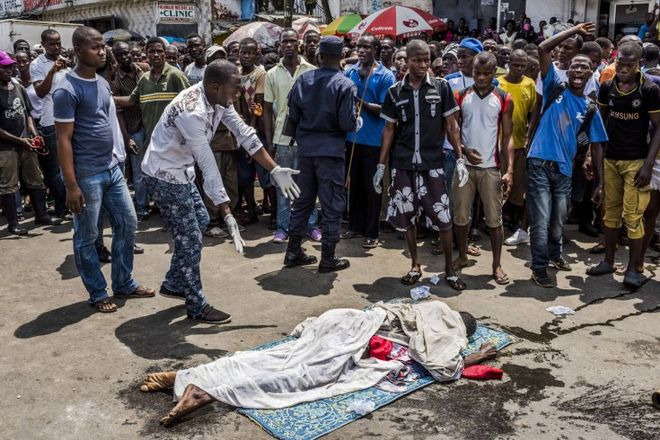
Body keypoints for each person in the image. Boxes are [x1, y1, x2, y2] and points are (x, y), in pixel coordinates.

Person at [138, 302, 494, 427]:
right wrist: (469, 357)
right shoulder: (452, 330)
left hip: (344, 319)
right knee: (301, 375)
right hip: (354, 337)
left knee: (277, 356)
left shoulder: (425, 306)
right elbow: (441, 366)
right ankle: (204, 392)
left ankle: (189, 377)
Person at [142, 59, 300, 323]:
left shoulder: (219, 100)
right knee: (190, 237)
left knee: (201, 221)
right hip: (164, 175)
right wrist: (227, 212)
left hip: (182, 171)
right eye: (234, 89)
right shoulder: (191, 111)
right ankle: (196, 304)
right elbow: (207, 163)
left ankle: (173, 282)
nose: (238, 94)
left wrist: (274, 169)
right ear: (215, 86)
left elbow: (245, 133)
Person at [53, 27, 154, 313]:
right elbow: (63, 140)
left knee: (128, 223)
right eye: (95, 47)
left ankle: (123, 282)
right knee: (87, 236)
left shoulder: (100, 82)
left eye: (102, 47)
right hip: (85, 176)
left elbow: (107, 120)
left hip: (111, 169)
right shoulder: (66, 89)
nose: (102, 51)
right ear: (78, 51)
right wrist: (71, 186)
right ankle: (98, 292)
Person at [374, 39, 469, 289]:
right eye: (417, 60)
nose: (423, 64)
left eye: (426, 59)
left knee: (443, 218)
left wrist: (459, 158)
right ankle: (415, 265)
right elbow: (389, 130)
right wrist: (381, 166)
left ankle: (449, 269)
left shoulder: (442, 87)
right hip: (403, 164)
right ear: (406, 60)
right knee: (407, 219)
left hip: (433, 164)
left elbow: (452, 125)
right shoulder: (395, 92)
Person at [526, 23, 608, 288]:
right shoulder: (554, 86)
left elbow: (596, 145)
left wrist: (601, 183)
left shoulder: (591, 107)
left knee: (559, 218)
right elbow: (542, 48)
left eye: (585, 66)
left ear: (592, 72)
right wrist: (574, 30)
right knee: (540, 220)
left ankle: (555, 255)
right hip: (539, 161)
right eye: (575, 65)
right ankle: (539, 268)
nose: (579, 70)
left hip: (563, 170)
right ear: (568, 70)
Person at [587, 42, 660, 289]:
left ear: (639, 63)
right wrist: (592, 156)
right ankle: (608, 261)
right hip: (611, 159)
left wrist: (648, 164)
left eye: (630, 65)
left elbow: (659, 127)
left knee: (633, 216)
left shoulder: (649, 89)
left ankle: (633, 269)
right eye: (621, 64)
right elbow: (600, 124)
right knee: (610, 212)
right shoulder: (608, 87)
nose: (624, 69)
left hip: (636, 161)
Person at [282, 36, 358, 272]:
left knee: (302, 203)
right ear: (341, 58)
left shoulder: (304, 79)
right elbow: (347, 124)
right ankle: (328, 259)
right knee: (332, 205)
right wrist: (356, 121)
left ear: (320, 56)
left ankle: (293, 251)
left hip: (305, 151)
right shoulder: (345, 85)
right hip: (331, 153)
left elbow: (291, 116)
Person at [452, 51, 514, 285]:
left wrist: (509, 171)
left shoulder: (504, 98)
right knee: (460, 216)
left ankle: (496, 264)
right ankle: (462, 256)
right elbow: (453, 130)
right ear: (472, 70)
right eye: (477, 73)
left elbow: (508, 137)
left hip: (491, 168)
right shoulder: (461, 96)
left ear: (494, 72)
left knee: (494, 220)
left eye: (487, 74)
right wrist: (464, 149)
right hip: (464, 167)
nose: (481, 78)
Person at [263, 29, 317, 244]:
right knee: (283, 186)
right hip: (281, 140)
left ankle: (310, 226)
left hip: (306, 139)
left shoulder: (311, 71)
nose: (288, 45)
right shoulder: (271, 74)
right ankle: (283, 228)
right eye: (284, 41)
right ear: (279, 45)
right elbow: (267, 110)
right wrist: (269, 142)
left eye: (292, 41)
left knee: (308, 185)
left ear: (299, 44)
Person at [342, 34, 396, 249]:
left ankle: (372, 231)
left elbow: (384, 110)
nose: (361, 51)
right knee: (353, 185)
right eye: (359, 47)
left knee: (372, 186)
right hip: (352, 138)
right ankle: (355, 226)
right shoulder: (350, 72)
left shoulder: (386, 75)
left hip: (374, 140)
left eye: (366, 47)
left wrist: (358, 101)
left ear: (376, 50)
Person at [0, 50, 61, 235]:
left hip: (27, 143)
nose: (9, 70)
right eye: (4, 67)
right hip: (6, 147)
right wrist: (20, 140)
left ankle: (41, 215)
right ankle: (13, 223)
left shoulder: (17, 88)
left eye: (10, 66)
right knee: (9, 185)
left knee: (35, 180)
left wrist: (34, 135)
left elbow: (27, 114)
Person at [114, 37, 189, 157]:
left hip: (175, 143)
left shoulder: (176, 76)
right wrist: (108, 98)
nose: (156, 55)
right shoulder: (144, 79)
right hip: (152, 142)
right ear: (147, 53)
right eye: (152, 51)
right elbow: (130, 100)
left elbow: (190, 106)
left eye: (160, 51)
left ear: (164, 53)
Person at [234, 38, 276, 228]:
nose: (247, 56)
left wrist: (248, 133)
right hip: (239, 129)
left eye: (251, 53)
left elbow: (259, 107)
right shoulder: (235, 74)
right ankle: (251, 211)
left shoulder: (261, 74)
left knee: (266, 175)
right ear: (239, 53)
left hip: (255, 130)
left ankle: (274, 215)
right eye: (244, 52)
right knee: (245, 176)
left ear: (257, 54)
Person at [499, 50, 538, 246]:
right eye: (516, 65)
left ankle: (514, 220)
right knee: (497, 183)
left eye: (523, 66)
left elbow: (533, 113)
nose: (520, 69)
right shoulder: (498, 83)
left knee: (518, 185)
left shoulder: (529, 84)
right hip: (498, 143)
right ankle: (496, 220)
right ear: (509, 63)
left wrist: (530, 136)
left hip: (520, 143)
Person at [30, 29, 69, 219]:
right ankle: (61, 208)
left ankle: (73, 202)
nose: (56, 47)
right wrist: (53, 71)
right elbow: (40, 92)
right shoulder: (37, 64)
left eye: (58, 43)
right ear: (43, 44)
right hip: (51, 121)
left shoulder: (67, 60)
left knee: (72, 164)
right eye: (52, 44)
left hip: (70, 119)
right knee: (55, 168)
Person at [111, 42, 150, 221]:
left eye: (126, 53)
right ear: (115, 57)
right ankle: (142, 208)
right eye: (120, 55)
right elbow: (121, 111)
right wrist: (127, 138)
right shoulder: (116, 80)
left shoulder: (143, 69)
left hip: (149, 124)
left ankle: (149, 202)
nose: (125, 57)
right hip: (133, 128)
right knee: (137, 171)